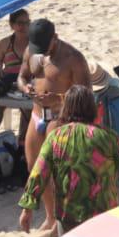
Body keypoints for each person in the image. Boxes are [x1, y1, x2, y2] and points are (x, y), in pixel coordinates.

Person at [18, 85, 119, 235]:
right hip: (103, 214)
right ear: (92, 108)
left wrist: (27, 209)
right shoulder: (108, 137)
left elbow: (38, 174)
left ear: (66, 109)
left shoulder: (56, 137)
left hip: (68, 216)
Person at [19, 19, 93, 167]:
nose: (41, 53)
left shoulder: (73, 58)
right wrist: (25, 87)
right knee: (33, 167)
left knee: (56, 170)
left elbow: (86, 96)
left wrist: (58, 99)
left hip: (60, 118)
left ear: (55, 37)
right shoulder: (30, 51)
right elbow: (22, 76)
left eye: (44, 48)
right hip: (37, 115)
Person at [0, 9, 30, 134]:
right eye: (20, 23)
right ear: (12, 25)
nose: (24, 26)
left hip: (28, 85)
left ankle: (22, 142)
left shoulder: (35, 43)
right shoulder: (5, 44)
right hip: (8, 86)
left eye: (27, 23)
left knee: (29, 108)